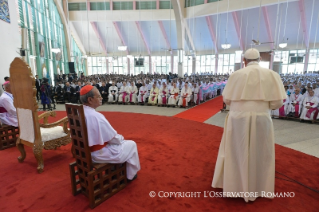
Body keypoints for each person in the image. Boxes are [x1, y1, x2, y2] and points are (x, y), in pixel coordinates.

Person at [211, 48, 286, 202]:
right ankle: (259, 187)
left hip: (238, 118)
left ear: (244, 60)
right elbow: (277, 102)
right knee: (260, 152)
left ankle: (235, 187)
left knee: (236, 151)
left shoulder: (236, 75)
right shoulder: (272, 75)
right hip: (262, 117)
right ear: (259, 59)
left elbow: (227, 100)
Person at [80, 85, 140, 181]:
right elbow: (114, 139)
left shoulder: (79, 112)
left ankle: (115, 169)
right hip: (98, 154)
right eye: (99, 96)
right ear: (90, 100)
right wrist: (121, 138)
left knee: (120, 143)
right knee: (131, 144)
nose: (101, 98)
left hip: (84, 153)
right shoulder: (96, 117)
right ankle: (130, 176)